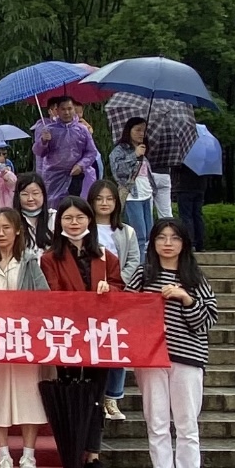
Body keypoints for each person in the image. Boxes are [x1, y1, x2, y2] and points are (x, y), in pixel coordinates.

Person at [128, 219, 217, 468]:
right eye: (161, 237)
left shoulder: (194, 277)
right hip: (151, 359)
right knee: (156, 423)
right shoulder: (143, 274)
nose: (168, 243)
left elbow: (206, 320)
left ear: (184, 243)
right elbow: (124, 311)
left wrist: (185, 298)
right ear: (152, 242)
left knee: (187, 424)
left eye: (175, 238)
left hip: (188, 358)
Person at [39, 196, 124, 468]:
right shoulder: (50, 258)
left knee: (96, 396)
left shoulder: (106, 256)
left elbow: (119, 287)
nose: (74, 223)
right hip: (68, 334)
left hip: (100, 334)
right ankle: (73, 456)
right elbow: (53, 294)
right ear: (59, 222)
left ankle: (93, 456)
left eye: (79, 217)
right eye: (68, 218)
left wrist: (109, 290)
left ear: (89, 220)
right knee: (72, 394)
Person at [0, 208, 49, 468]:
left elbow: (45, 297)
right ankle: (4, 457)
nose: (1, 233)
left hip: (25, 340)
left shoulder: (30, 261)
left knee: (29, 397)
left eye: (6, 228)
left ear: (18, 230)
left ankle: (29, 457)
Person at [89, 178, 142, 422]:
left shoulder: (126, 231)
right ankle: (96, 398)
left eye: (109, 198)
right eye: (99, 198)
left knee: (116, 345)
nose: (104, 203)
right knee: (93, 347)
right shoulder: (85, 229)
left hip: (118, 296)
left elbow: (133, 261)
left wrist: (116, 283)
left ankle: (113, 397)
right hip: (89, 298)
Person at [32, 95, 98, 206]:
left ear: (74, 109)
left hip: (77, 175)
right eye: (63, 109)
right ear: (57, 110)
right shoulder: (49, 129)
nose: (67, 112)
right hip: (54, 177)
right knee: (54, 208)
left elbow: (91, 152)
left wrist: (81, 165)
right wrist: (43, 141)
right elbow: (39, 152)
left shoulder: (82, 129)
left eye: (69, 109)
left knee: (77, 206)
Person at [109, 118, 155, 256]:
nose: (141, 134)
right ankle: (138, 265)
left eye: (144, 130)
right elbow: (118, 171)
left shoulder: (143, 149)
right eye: (138, 130)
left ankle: (146, 262)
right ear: (129, 130)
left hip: (146, 194)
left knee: (149, 233)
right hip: (132, 195)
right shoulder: (120, 150)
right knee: (138, 234)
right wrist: (134, 155)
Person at [13, 172, 54, 257]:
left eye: (35, 193)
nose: (30, 199)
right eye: (25, 194)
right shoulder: (11, 221)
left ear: (43, 194)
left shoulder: (54, 218)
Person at [173, 164, 209, 253]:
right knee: (198, 216)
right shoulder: (205, 158)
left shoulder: (185, 158)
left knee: (186, 217)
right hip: (200, 187)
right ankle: (200, 244)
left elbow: (176, 168)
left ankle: (190, 243)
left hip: (185, 187)